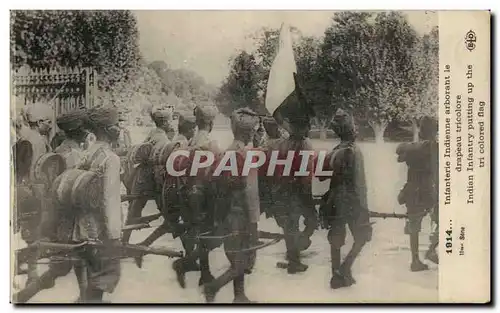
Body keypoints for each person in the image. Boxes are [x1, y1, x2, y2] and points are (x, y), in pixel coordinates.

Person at [202, 107, 260, 303]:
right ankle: (213, 288)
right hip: (241, 216)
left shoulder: (226, 152)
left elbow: (212, 181)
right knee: (241, 262)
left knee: (237, 258)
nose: (254, 133)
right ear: (248, 132)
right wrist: (253, 224)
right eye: (253, 130)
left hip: (226, 214)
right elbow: (248, 193)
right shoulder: (244, 155)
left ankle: (240, 296)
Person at [72, 106, 123, 303]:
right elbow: (109, 200)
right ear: (109, 129)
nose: (118, 128)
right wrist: (114, 236)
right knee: (102, 282)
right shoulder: (110, 159)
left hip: (80, 229)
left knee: (91, 283)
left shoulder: (85, 154)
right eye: (116, 124)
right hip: (100, 233)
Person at [318, 108, 372, 289]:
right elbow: (359, 183)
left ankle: (336, 276)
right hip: (351, 200)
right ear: (351, 131)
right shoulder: (353, 152)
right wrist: (363, 208)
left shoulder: (335, 151)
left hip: (333, 200)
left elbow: (321, 175)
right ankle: (344, 268)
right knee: (362, 236)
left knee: (336, 238)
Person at [172, 104, 221, 288]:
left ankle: (205, 273)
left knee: (201, 233)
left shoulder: (189, 142)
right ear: (210, 122)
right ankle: (183, 265)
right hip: (205, 195)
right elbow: (218, 173)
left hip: (189, 193)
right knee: (213, 234)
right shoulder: (211, 144)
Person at [13, 102, 53, 285]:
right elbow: (20, 170)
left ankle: (26, 269)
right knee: (32, 233)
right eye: (47, 121)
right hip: (30, 192)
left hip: (37, 190)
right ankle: (32, 275)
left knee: (34, 233)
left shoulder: (37, 138)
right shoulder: (29, 140)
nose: (50, 125)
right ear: (37, 122)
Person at [121, 106, 173, 244]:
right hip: (151, 178)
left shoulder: (152, 133)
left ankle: (124, 241)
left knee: (134, 211)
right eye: (170, 120)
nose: (172, 123)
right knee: (168, 213)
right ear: (165, 123)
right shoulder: (163, 139)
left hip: (140, 175)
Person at [396, 116, 439, 271]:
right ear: (434, 131)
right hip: (428, 190)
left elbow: (399, 154)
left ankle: (415, 260)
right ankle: (431, 250)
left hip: (412, 191)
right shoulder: (435, 147)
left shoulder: (412, 147)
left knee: (414, 227)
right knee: (443, 220)